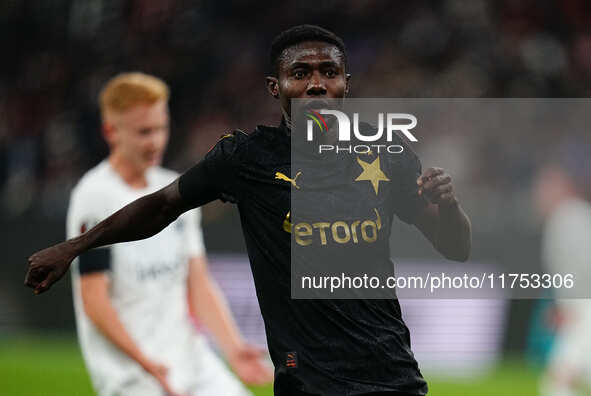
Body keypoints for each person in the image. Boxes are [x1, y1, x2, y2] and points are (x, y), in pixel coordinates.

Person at [25, 25, 471, 396]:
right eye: (301, 73)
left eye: (328, 72)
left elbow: (455, 248)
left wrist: (449, 208)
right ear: (276, 88)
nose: (316, 83)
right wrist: (74, 247)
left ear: (345, 83)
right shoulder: (246, 157)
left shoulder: (387, 153)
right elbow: (161, 206)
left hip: (392, 373)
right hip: (307, 381)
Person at [64, 72, 271, 396]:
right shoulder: (95, 197)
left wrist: (232, 346)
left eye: (161, 128)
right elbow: (94, 300)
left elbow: (197, 281)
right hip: (133, 372)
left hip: (191, 359)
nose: (156, 141)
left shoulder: (175, 189)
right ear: (110, 131)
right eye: (144, 132)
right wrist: (147, 365)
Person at [533, 162, 591, 396]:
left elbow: (584, 264)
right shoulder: (574, 216)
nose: (538, 195)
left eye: (544, 189)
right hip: (580, 309)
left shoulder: (567, 218)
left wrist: (571, 306)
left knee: (558, 382)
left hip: (585, 311)